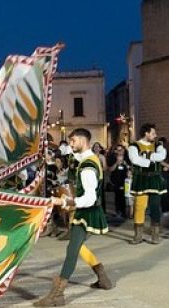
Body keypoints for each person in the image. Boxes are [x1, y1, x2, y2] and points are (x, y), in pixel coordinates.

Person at [34, 128, 113, 307]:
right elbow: (72, 156)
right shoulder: (88, 158)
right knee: (76, 246)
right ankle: (102, 276)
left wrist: (65, 202)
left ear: (82, 140)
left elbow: (90, 198)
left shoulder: (87, 167)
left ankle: (57, 294)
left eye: (73, 141)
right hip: (87, 210)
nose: (70, 145)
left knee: (72, 250)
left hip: (87, 211)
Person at [127, 123, 167, 245]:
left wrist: (148, 156)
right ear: (146, 133)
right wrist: (150, 161)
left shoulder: (158, 145)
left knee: (155, 206)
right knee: (139, 207)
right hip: (141, 179)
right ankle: (138, 235)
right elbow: (135, 159)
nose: (155, 135)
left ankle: (155, 234)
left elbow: (162, 156)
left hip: (155, 179)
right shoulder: (134, 146)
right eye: (153, 133)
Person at [107, 145, 129, 219]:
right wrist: (116, 162)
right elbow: (110, 169)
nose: (120, 151)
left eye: (121, 150)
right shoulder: (112, 158)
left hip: (125, 180)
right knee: (117, 196)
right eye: (118, 150)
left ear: (124, 150)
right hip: (115, 180)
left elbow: (131, 168)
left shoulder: (127, 157)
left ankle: (124, 212)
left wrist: (126, 164)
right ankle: (118, 211)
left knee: (124, 197)